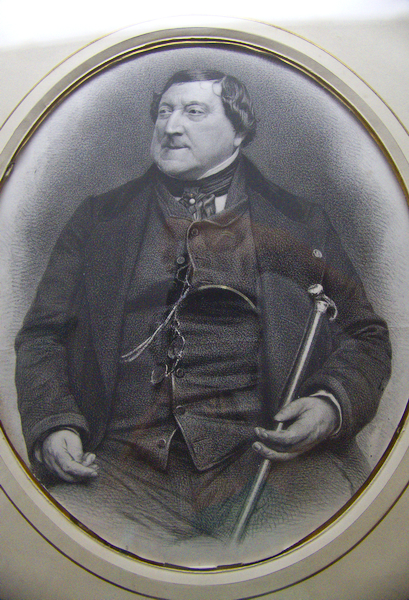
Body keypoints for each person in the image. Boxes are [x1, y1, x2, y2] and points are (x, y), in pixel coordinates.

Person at [15, 69, 392, 564]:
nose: (171, 127)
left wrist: (329, 404)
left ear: (238, 130)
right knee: (56, 561)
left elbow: (365, 335)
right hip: (121, 466)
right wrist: (53, 423)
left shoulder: (301, 221)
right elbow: (43, 336)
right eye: (165, 112)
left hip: (266, 465)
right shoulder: (99, 219)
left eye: (193, 112)